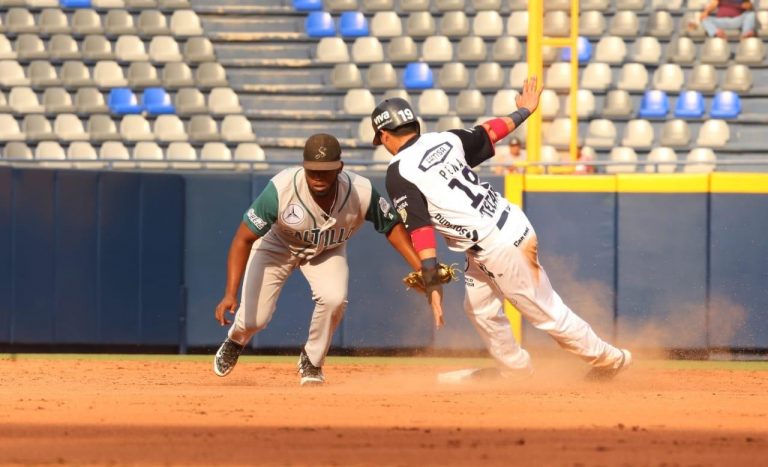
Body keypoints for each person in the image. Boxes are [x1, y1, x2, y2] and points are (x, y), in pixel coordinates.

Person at [370, 77, 631, 382]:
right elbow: (490, 131)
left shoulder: (398, 171)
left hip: (497, 245)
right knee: (480, 308)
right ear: (414, 124)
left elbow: (420, 229)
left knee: (545, 313)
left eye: (381, 139)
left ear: (385, 135)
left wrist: (430, 279)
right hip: (504, 224)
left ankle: (611, 359)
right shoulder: (445, 139)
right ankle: (515, 369)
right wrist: (524, 112)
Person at [212, 133, 434, 385]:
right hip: (277, 245)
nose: (318, 176)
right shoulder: (281, 189)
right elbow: (243, 238)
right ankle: (236, 340)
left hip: (327, 249)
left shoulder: (360, 191)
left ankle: (312, 361)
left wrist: (423, 268)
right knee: (255, 320)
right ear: (303, 166)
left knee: (334, 298)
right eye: (313, 170)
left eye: (326, 170)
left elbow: (392, 227)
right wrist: (230, 293)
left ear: (340, 167)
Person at [691, 0, 756, 39]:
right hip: (721, 21)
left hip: (737, 20)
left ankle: (745, 35)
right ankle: (717, 33)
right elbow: (714, 4)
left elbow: (749, 6)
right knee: (705, 19)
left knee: (751, 14)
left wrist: (745, 5)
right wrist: (706, 12)